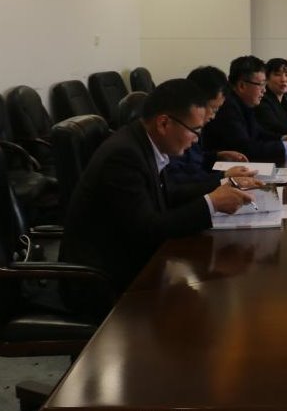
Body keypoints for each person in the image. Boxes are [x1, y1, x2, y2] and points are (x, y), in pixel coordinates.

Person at [60, 79, 255, 317]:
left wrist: (221, 185)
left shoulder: (141, 141)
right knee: (206, 304)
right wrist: (211, 204)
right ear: (164, 123)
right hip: (104, 280)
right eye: (195, 130)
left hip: (129, 259)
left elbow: (168, 194)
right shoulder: (124, 156)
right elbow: (148, 230)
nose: (196, 139)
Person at [163, 65, 257, 193]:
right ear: (197, 101)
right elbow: (181, 180)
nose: (213, 116)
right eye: (213, 109)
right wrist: (223, 177)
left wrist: (216, 156)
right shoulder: (176, 129)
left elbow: (194, 159)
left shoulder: (194, 127)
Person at [203, 56, 287, 161]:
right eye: (261, 84)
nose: (264, 90)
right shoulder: (227, 106)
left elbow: (258, 132)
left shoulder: (243, 102)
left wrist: (283, 138)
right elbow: (245, 149)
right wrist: (286, 146)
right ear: (242, 86)